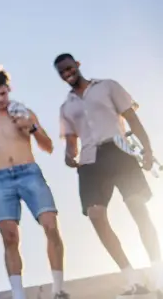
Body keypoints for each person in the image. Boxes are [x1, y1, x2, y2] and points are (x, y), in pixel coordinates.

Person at [0, 66, 68, 299]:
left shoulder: (24, 112)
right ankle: (19, 295)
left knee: (50, 227)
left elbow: (48, 147)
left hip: (29, 172)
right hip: (2, 179)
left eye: (2, 94)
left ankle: (58, 290)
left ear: (9, 89)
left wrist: (32, 128)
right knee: (9, 237)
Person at [55, 53, 161, 295]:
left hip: (119, 152)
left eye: (69, 68)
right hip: (90, 161)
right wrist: (69, 156)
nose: (67, 73)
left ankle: (158, 270)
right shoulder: (66, 107)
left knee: (137, 207)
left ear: (77, 65)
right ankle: (132, 279)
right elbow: (71, 141)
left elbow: (132, 118)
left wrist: (147, 150)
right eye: (62, 72)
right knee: (96, 216)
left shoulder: (107, 86)